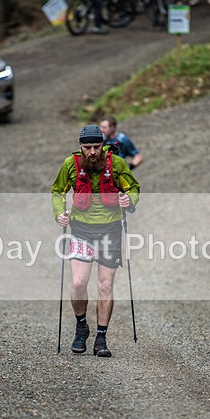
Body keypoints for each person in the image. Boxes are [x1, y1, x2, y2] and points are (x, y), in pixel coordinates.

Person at [52, 125, 140, 357]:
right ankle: (82, 325)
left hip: (110, 230)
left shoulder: (117, 163)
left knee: (105, 285)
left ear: (103, 144)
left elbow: (133, 188)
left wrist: (127, 200)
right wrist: (59, 212)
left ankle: (101, 338)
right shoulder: (70, 164)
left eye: (97, 147)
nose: (92, 152)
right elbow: (58, 191)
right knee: (79, 282)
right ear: (80, 146)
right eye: (87, 147)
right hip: (81, 229)